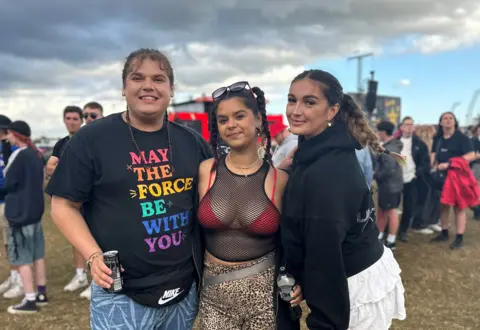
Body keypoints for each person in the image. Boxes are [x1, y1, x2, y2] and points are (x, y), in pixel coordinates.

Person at [46, 48, 211, 329]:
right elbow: (63, 205)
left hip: (183, 290)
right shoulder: (91, 140)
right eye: (138, 77)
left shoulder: (192, 142)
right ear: (124, 88)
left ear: (171, 90)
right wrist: (93, 255)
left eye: (159, 79)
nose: (148, 85)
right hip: (120, 293)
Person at [281, 69, 406, 329]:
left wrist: (324, 323)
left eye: (309, 102)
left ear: (332, 111)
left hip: (351, 288)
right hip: (359, 270)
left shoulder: (326, 171)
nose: (296, 110)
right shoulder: (319, 150)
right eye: (292, 99)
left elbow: (325, 261)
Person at [196, 81, 301, 330]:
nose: (231, 125)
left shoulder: (281, 180)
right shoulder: (206, 171)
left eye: (239, 116)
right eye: (223, 120)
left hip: (265, 298)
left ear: (258, 120)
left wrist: (300, 280)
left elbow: (296, 239)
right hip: (214, 296)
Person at [0, 121, 47, 314]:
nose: (6, 138)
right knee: (38, 255)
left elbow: (7, 183)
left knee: (23, 258)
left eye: (8, 134)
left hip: (20, 214)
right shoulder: (35, 154)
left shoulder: (19, 156)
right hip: (34, 213)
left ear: (16, 135)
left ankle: (29, 299)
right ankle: (41, 293)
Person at [45, 106, 90, 297]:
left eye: (75, 118)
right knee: (75, 238)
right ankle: (80, 275)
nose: (71, 122)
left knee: (94, 239)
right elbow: (49, 168)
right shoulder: (61, 143)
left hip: (89, 199)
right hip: (70, 201)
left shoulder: (87, 140)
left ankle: (96, 279)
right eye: (68, 118)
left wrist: (63, 169)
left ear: (81, 121)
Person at [431, 112, 475, 249]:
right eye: (445, 118)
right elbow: (433, 153)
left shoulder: (462, 138)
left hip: (457, 177)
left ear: (455, 122)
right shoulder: (438, 138)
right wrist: (433, 165)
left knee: (459, 207)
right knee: (443, 205)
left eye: (451, 118)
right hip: (441, 177)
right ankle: (444, 232)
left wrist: (450, 164)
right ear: (441, 122)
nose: (448, 120)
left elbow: (471, 155)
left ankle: (459, 237)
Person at [396, 117, 433, 241]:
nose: (409, 127)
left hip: (411, 178)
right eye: (406, 124)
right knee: (392, 207)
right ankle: (386, 230)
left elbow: (425, 162)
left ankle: (403, 230)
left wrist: (418, 172)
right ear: (401, 127)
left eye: (411, 124)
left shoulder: (419, 144)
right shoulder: (395, 141)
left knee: (408, 206)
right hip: (395, 178)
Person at [0, 115, 23, 299]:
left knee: (12, 241)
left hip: (8, 201)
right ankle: (13, 274)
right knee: (6, 243)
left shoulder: (13, 149)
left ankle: (19, 278)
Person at [375, 120, 404, 250]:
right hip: (392, 185)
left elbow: (388, 169)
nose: (376, 134)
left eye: (377, 131)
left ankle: (391, 241)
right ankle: (380, 235)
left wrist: (374, 175)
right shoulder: (393, 145)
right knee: (382, 211)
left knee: (391, 212)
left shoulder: (389, 148)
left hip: (389, 186)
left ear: (382, 132)